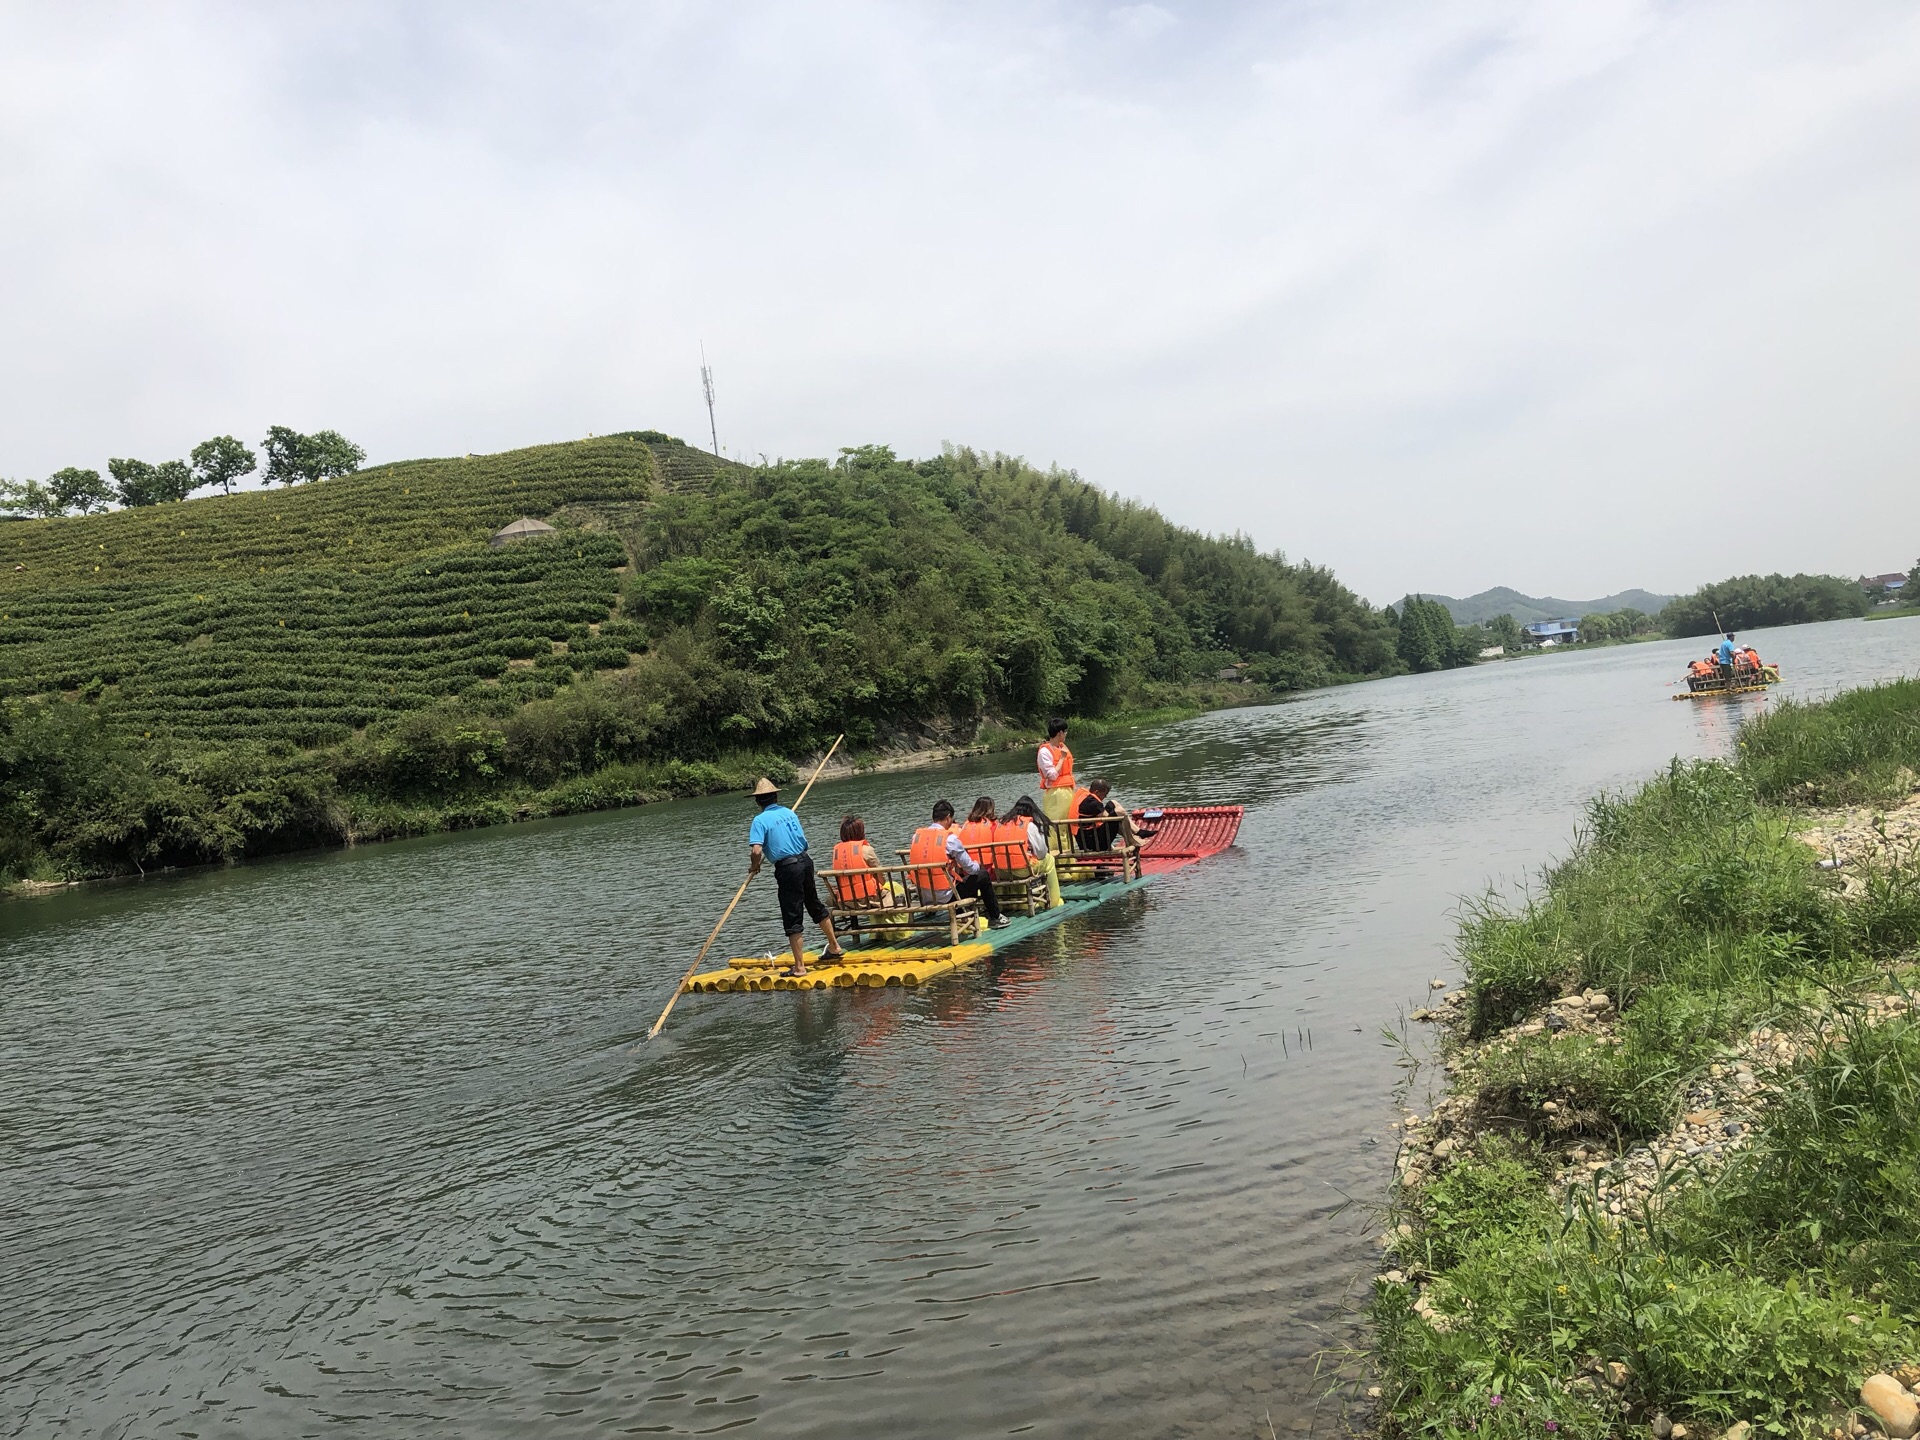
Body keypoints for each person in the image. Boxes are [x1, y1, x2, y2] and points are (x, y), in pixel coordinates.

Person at [747, 777, 844, 976]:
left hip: (788, 868)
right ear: (775, 796)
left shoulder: (759, 820)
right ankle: (834, 947)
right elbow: (802, 839)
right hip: (805, 861)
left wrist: (754, 867)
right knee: (814, 904)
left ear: (758, 801)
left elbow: (756, 851)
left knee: (792, 915)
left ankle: (799, 967)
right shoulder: (788, 813)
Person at [906, 799, 1007, 929]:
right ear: (948, 818)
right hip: (946, 897)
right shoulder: (950, 839)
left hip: (924, 895)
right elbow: (970, 869)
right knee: (982, 874)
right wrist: (978, 864)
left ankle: (965, 913)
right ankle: (995, 917)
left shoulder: (916, 837)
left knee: (959, 878)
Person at [1002, 794, 1063, 908]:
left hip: (1000, 870)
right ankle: (1054, 900)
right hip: (1022, 869)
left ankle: (1012, 903)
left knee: (1015, 862)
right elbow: (1041, 852)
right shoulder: (1029, 825)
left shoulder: (1003, 823)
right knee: (1049, 859)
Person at [1075, 778, 1146, 852]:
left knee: (1113, 802)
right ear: (1097, 792)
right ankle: (1131, 839)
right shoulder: (1093, 804)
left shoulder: (1086, 798)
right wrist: (1119, 814)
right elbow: (1109, 817)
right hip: (1094, 844)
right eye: (1104, 795)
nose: (1105, 797)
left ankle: (1138, 832)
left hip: (1085, 839)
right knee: (1119, 813)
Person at [829, 815, 884, 907]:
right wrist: (882, 884)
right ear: (860, 832)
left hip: (845, 900)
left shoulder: (836, 853)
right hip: (868, 898)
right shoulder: (866, 850)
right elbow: (881, 875)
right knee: (895, 888)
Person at [1037, 717, 1076, 824]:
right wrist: (1062, 758)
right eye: (1065, 732)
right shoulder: (1045, 751)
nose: (1066, 734)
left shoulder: (1062, 747)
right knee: (1057, 827)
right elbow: (1052, 775)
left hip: (1067, 790)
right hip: (1055, 793)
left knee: (1070, 826)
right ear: (1060, 733)